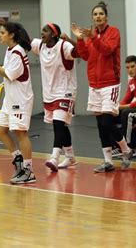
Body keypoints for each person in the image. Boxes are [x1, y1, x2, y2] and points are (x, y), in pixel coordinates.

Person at [71, 1, 132, 173]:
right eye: (95, 14)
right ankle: (108, 161)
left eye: (100, 14)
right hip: (94, 85)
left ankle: (126, 150)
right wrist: (80, 39)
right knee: (100, 124)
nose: (98, 16)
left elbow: (107, 50)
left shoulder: (113, 32)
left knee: (107, 122)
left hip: (110, 83)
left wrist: (92, 37)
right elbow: (84, 55)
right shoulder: (91, 35)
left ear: (106, 16)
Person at [0, 22, 36, 184]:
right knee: (0, 130)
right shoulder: (10, 50)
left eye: (2, 32)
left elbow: (8, 74)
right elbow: (6, 71)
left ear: (11, 35)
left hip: (21, 99)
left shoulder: (18, 52)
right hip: (10, 99)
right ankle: (18, 158)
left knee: (21, 133)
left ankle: (28, 170)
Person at [30, 23, 78, 171]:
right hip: (50, 94)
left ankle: (54, 157)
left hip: (65, 91)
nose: (42, 33)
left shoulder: (64, 46)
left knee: (58, 124)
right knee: (61, 125)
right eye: (42, 30)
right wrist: (10, 26)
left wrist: (75, 40)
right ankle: (70, 157)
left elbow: (79, 53)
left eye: (45, 30)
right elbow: (25, 39)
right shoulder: (41, 46)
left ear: (54, 33)